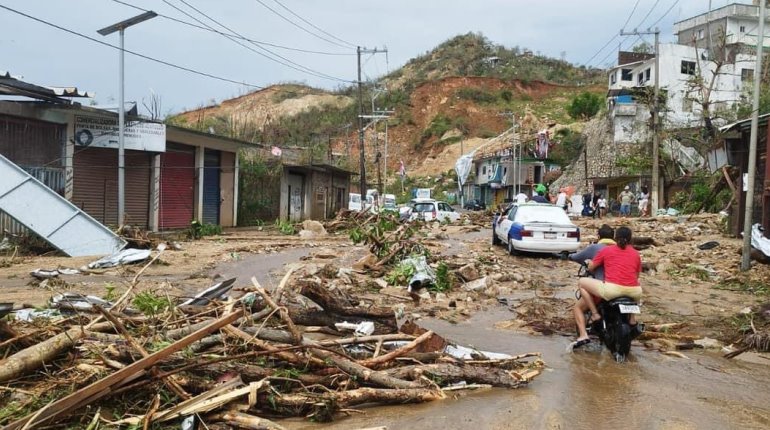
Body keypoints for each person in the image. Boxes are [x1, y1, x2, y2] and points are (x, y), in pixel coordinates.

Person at [572, 226, 642, 348]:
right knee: (634, 286)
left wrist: (589, 264)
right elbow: (636, 275)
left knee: (582, 282)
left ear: (616, 237)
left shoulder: (606, 250)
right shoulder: (636, 253)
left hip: (612, 290)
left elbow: (591, 267)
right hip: (635, 292)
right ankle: (632, 319)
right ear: (631, 239)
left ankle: (593, 316)